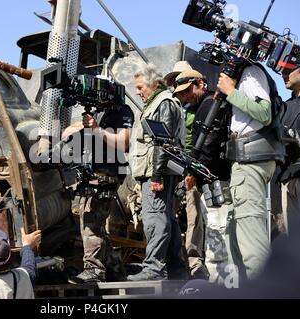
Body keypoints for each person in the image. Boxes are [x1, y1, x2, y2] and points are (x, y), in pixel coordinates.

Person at [217, 58, 282, 281]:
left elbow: (264, 114)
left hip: (251, 161)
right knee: (237, 232)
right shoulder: (248, 74)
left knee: (251, 236)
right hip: (245, 160)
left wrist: (231, 91)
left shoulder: (251, 73)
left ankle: (264, 290)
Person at [127, 64, 187, 281]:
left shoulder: (163, 103)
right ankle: (176, 271)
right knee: (166, 218)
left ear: (154, 84)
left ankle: (154, 268)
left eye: (140, 87)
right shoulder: (160, 103)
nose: (137, 91)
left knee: (154, 217)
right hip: (158, 170)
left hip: (157, 171)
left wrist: (156, 176)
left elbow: (164, 142)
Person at [63, 100, 134, 284]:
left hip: (107, 174)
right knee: (96, 224)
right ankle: (115, 268)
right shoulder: (99, 113)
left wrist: (97, 130)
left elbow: (124, 143)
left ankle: (94, 269)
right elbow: (68, 131)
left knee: (90, 221)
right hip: (96, 173)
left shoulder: (121, 110)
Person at [172, 69, 232, 280]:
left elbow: (209, 143)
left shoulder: (209, 104)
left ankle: (220, 282)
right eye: (181, 93)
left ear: (200, 83)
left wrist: (195, 173)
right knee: (213, 228)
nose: (185, 96)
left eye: (188, 90)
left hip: (216, 179)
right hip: (213, 178)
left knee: (217, 230)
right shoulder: (201, 106)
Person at [276, 51, 300, 234]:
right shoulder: (285, 105)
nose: (283, 75)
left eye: (288, 70)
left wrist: (294, 134)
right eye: (281, 71)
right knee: (293, 238)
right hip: (287, 176)